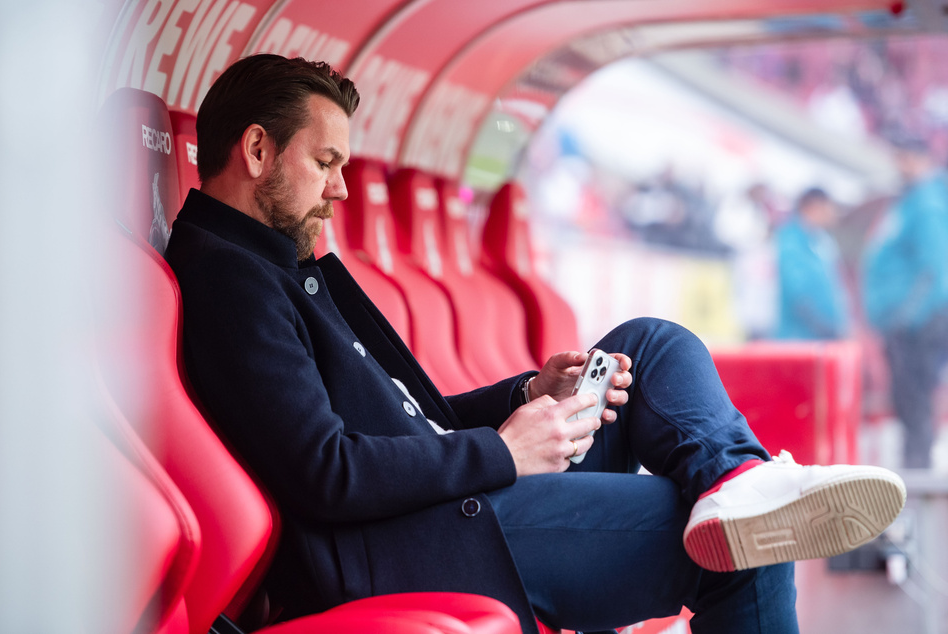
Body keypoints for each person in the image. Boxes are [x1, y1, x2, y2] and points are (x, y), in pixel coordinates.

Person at [164, 54, 906, 634]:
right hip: (421, 544)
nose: (341, 191)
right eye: (325, 163)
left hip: (453, 501)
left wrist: (524, 397)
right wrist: (504, 451)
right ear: (257, 150)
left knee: (643, 346)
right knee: (744, 548)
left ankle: (730, 478)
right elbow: (325, 471)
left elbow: (410, 422)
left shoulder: (272, 268)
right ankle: (736, 498)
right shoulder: (230, 282)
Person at [863, 134, 948, 468]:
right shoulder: (911, 201)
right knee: (907, 397)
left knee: (915, 397)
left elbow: (934, 268)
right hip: (905, 320)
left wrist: (906, 316)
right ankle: (915, 461)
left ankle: (918, 466)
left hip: (919, 322)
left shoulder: (927, 203)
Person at [774, 187, 852, 340]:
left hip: (823, 338)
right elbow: (798, 293)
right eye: (828, 207)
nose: (832, 213)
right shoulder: (791, 241)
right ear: (814, 206)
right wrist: (825, 326)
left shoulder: (820, 240)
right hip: (799, 340)